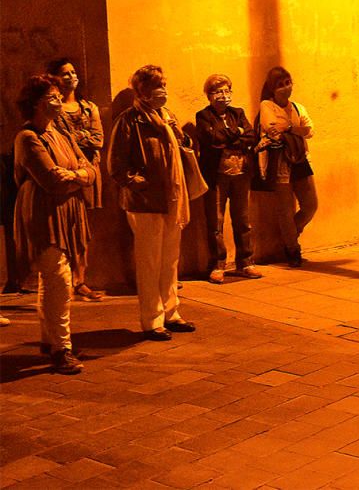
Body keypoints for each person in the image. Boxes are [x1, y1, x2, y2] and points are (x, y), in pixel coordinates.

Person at [13, 74, 96, 373]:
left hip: (66, 212)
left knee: (53, 278)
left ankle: (50, 340)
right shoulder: (28, 138)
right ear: (36, 102)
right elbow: (50, 180)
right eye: (52, 96)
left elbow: (90, 169)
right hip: (43, 215)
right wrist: (77, 177)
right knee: (59, 279)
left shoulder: (60, 133)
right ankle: (63, 348)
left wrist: (75, 175)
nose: (59, 100)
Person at [108, 65, 196, 341]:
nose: (163, 92)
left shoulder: (167, 116)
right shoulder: (129, 120)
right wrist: (136, 181)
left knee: (170, 259)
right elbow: (115, 163)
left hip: (172, 196)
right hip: (145, 201)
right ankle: (152, 319)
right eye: (157, 86)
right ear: (142, 91)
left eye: (164, 85)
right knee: (149, 261)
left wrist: (180, 135)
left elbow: (181, 149)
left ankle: (172, 312)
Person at [47, 57, 105, 302]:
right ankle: (67, 279)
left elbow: (98, 139)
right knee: (67, 225)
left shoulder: (89, 107)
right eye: (64, 73)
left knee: (83, 228)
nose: (71, 77)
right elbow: (59, 138)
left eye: (73, 72)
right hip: (68, 170)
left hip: (88, 169)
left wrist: (75, 137)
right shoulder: (54, 109)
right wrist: (80, 137)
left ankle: (81, 279)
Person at [195, 74, 260, 283]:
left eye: (226, 91)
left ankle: (246, 262)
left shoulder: (238, 113)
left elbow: (250, 136)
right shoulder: (203, 116)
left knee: (243, 220)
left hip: (241, 173)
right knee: (216, 221)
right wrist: (236, 133)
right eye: (217, 92)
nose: (223, 96)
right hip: (216, 176)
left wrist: (230, 134)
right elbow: (212, 139)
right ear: (209, 95)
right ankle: (218, 264)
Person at [257, 66, 318, 267]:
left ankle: (291, 233)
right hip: (280, 161)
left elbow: (309, 130)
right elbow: (271, 129)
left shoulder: (298, 107)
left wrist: (290, 128)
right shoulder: (267, 105)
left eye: (288, 83)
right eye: (280, 85)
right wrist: (293, 130)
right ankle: (292, 248)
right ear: (272, 88)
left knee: (310, 205)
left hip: (300, 159)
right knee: (284, 209)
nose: (286, 88)